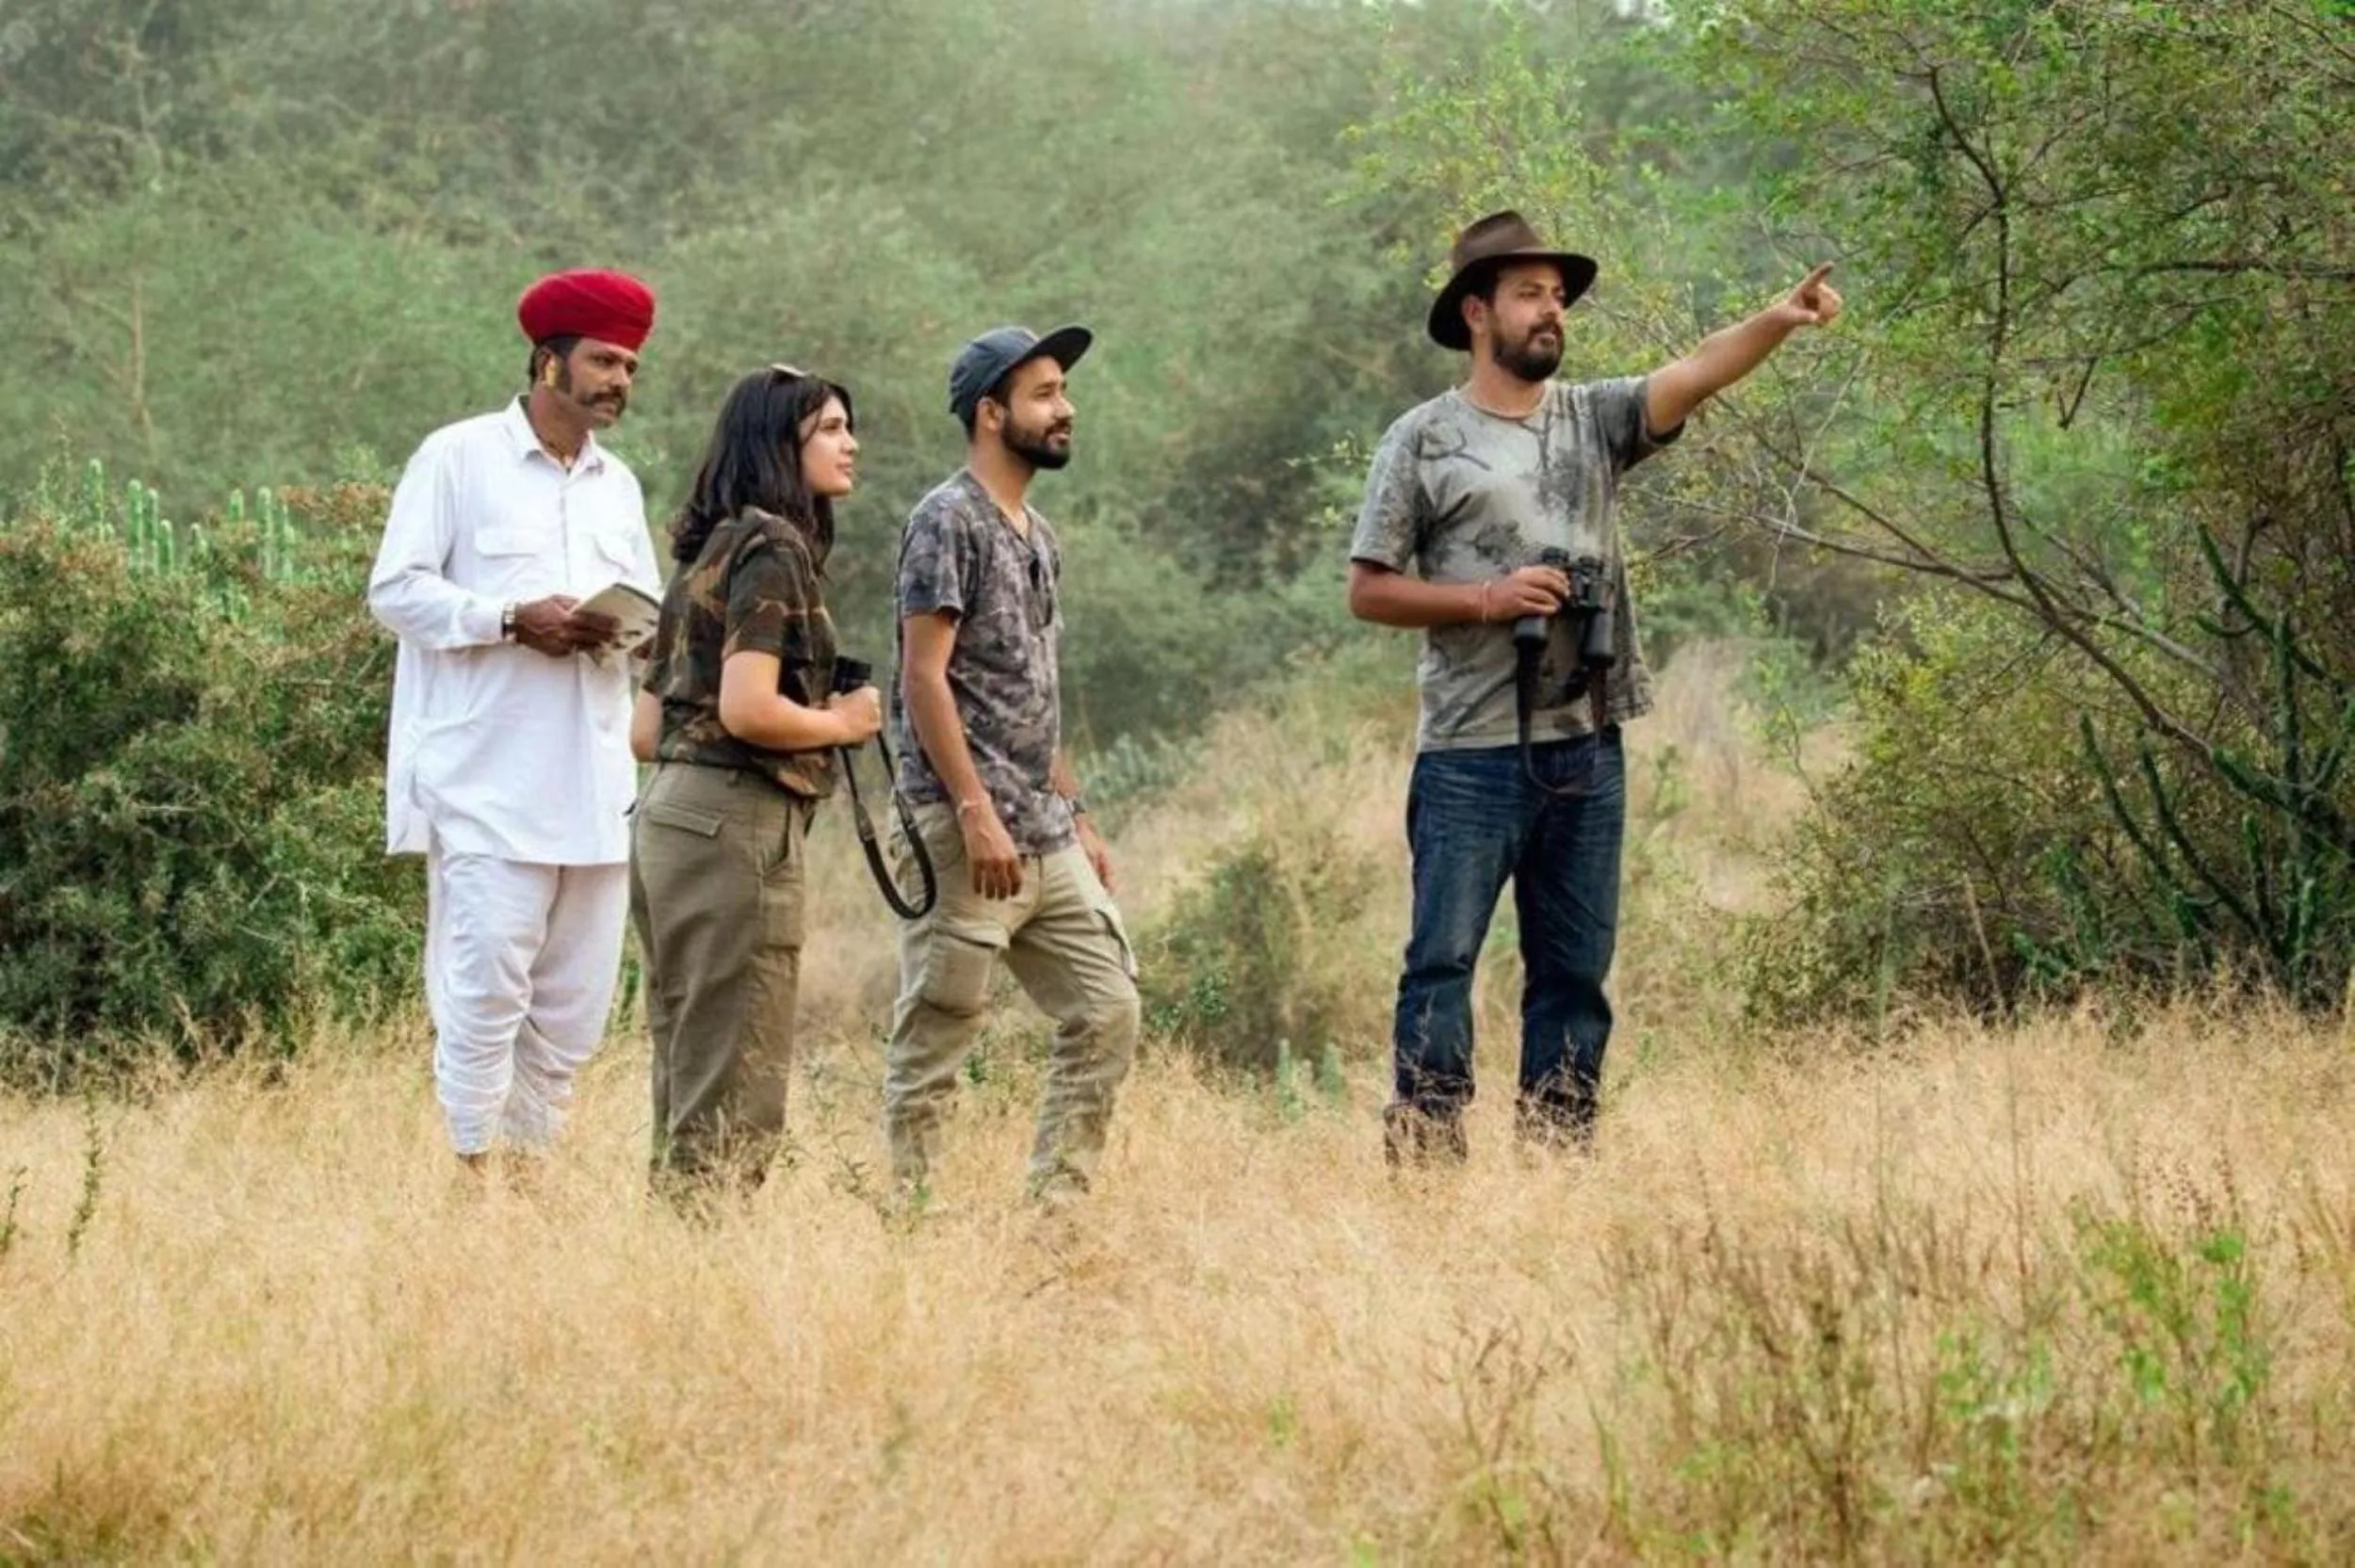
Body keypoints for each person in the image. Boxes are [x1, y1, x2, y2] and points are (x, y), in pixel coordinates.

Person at [1348, 210, 1843, 1162]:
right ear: (1476, 311)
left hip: (1585, 739)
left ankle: (1559, 1155)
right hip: (1467, 749)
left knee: (1575, 970)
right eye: (1529, 294)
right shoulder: (1421, 440)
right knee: (1442, 962)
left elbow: (1698, 368)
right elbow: (1367, 590)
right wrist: (1489, 598)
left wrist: (1778, 320)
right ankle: (1426, 1147)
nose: (1553, 311)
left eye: (1559, 296)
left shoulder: (1595, 417)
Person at [368, 267, 662, 1167]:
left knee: (571, 1009)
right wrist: (506, 617)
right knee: (484, 989)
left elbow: (646, 613)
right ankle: (473, 1175)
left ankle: (531, 1184)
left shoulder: (620, 486)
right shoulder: (456, 456)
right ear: (547, 361)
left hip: (598, 782)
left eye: (631, 367)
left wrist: (630, 632)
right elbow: (394, 592)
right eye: (605, 361)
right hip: (488, 779)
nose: (619, 381)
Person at [883, 324, 1140, 1208]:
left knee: (1107, 1007)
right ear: (991, 414)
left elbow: (1034, 687)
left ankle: (1054, 1218)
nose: (1065, 408)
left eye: (1063, 389)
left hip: (1040, 824)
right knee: (940, 1029)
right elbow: (924, 675)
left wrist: (1077, 811)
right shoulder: (945, 520)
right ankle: (916, 1231)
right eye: (1043, 394)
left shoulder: (1040, 533)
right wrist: (973, 810)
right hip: (965, 831)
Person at [628, 365, 881, 1197]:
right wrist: (842, 723)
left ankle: (675, 1262)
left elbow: (643, 728)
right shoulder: (772, 547)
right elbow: (748, 710)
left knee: (688, 1061)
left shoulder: (708, 547)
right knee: (738, 1077)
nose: (851, 444)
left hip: (667, 815)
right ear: (783, 442)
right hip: (733, 823)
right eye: (832, 428)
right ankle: (703, 1276)